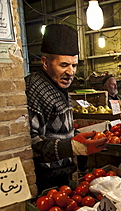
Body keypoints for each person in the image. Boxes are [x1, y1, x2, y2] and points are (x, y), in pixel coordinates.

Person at [25, 24, 108, 193]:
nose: (71, 72)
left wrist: (81, 140)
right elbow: (30, 143)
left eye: (74, 65)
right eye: (64, 65)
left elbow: (62, 132)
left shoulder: (59, 87)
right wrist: (73, 147)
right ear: (45, 62)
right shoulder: (35, 89)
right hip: (45, 181)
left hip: (63, 174)